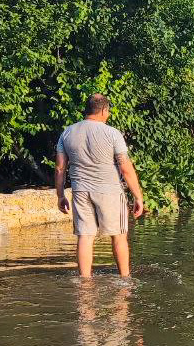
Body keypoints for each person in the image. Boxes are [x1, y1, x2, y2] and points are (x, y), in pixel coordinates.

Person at [55, 93, 145, 277]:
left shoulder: (68, 132)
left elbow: (59, 168)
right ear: (104, 110)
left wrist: (60, 195)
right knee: (119, 236)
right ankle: (125, 280)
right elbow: (125, 167)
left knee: (85, 237)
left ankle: (85, 282)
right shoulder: (112, 133)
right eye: (108, 111)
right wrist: (138, 196)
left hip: (80, 190)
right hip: (109, 191)